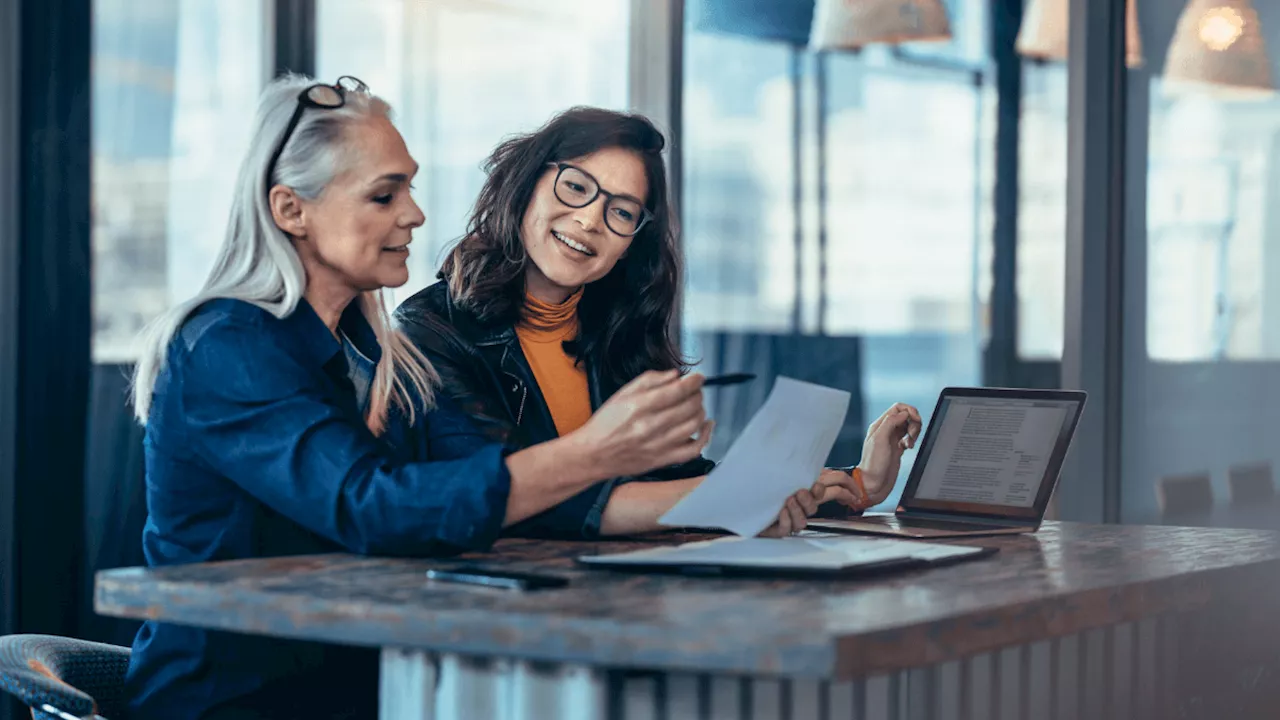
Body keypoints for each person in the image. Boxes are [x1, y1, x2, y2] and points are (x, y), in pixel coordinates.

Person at [124, 76, 802, 720]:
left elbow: (458, 491)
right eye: (385, 196)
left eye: (410, 189)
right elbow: (377, 508)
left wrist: (757, 492)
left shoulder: (368, 348)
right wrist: (598, 452)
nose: (416, 214)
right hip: (240, 702)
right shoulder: (226, 347)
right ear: (290, 209)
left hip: (365, 685)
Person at [394, 107, 923, 538]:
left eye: (621, 212)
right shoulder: (429, 331)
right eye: (575, 187)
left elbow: (679, 483)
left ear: (631, 244)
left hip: (618, 602)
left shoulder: (615, 332)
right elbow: (507, 497)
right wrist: (736, 499)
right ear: (527, 184)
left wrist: (857, 483)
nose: (589, 220)